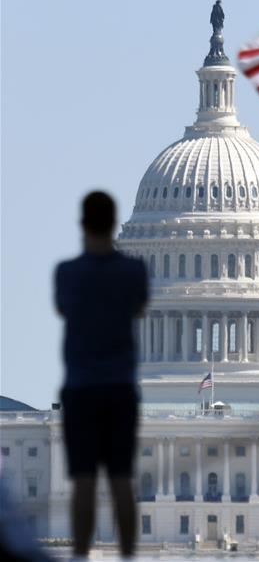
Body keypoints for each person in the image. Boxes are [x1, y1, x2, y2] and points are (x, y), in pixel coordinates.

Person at [54, 191, 148, 559]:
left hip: (81, 386)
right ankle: (127, 555)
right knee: (122, 479)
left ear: (82, 224)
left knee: (83, 482)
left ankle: (80, 555)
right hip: (120, 386)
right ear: (114, 224)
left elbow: (64, 308)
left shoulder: (67, 272)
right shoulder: (134, 271)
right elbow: (139, 307)